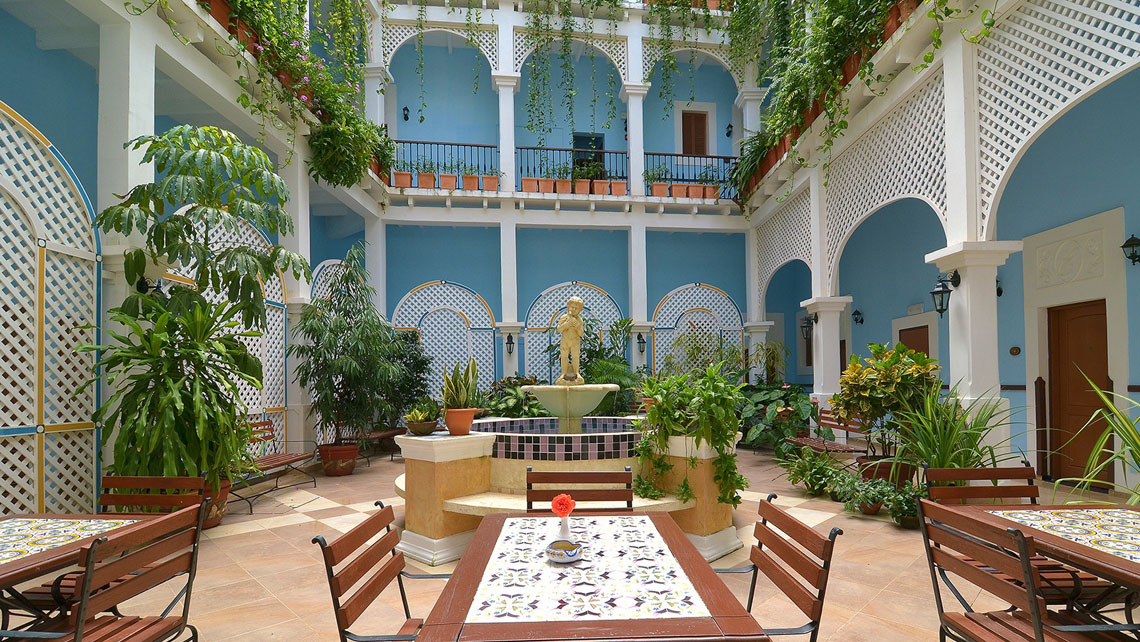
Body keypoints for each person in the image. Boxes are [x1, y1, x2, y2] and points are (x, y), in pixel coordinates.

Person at [556, 296, 585, 384]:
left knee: (575, 357)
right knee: (564, 356)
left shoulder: (579, 319)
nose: (574, 309)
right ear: (568, 307)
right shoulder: (564, 317)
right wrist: (566, 324)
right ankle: (563, 373)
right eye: (572, 307)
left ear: (580, 310)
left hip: (575, 341)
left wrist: (577, 327)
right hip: (565, 340)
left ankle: (576, 373)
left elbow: (581, 333)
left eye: (576, 308)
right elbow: (559, 329)